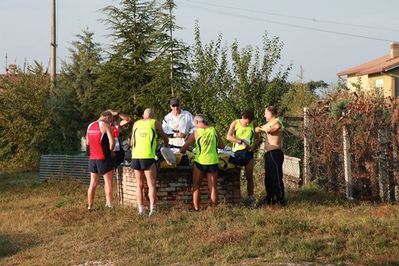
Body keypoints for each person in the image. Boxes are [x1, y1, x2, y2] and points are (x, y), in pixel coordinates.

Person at [180, 114, 224, 211]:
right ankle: (214, 208)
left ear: (197, 122)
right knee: (213, 187)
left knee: (196, 185)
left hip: (200, 161)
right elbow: (221, 146)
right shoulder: (214, 130)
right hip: (213, 161)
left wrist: (182, 151)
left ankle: (196, 208)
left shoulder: (196, 133)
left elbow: (184, 148)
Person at [131, 108, 169, 216]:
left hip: (135, 156)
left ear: (143, 115)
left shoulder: (136, 123)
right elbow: (164, 136)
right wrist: (166, 143)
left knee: (139, 185)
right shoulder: (154, 122)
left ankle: (141, 209)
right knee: (151, 184)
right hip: (148, 156)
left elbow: (132, 141)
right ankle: (153, 209)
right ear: (152, 115)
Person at [226, 110, 259, 204]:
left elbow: (257, 138)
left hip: (249, 153)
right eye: (246, 121)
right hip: (237, 153)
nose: (247, 123)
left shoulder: (254, 123)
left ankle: (250, 197)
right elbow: (228, 136)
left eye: (249, 122)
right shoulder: (235, 122)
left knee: (249, 176)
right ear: (243, 117)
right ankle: (235, 198)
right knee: (235, 176)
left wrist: (253, 146)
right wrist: (240, 141)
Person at [255, 106, 286, 206]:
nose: (264, 115)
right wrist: (260, 129)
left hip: (275, 153)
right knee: (268, 178)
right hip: (268, 154)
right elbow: (257, 129)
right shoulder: (268, 124)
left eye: (265, 113)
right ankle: (270, 198)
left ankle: (280, 199)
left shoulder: (277, 121)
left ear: (271, 113)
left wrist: (264, 129)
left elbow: (275, 128)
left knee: (276, 177)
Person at [86, 110, 115, 210]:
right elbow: (112, 143)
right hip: (103, 158)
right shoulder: (106, 126)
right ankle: (109, 204)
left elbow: (88, 142)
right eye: (110, 120)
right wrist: (111, 151)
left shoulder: (90, 125)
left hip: (92, 158)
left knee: (92, 183)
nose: (111, 122)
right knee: (108, 182)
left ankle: (90, 206)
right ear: (107, 117)